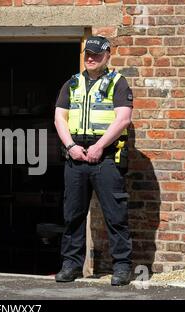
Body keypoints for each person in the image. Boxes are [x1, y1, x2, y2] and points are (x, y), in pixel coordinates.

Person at [53, 36, 133, 286]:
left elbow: (123, 119)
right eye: (88, 53)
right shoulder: (72, 83)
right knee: (73, 214)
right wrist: (71, 146)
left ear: (108, 55)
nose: (91, 58)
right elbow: (59, 118)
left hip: (106, 157)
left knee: (115, 215)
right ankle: (71, 265)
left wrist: (99, 146)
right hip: (76, 157)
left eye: (97, 54)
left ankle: (121, 267)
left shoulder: (117, 83)